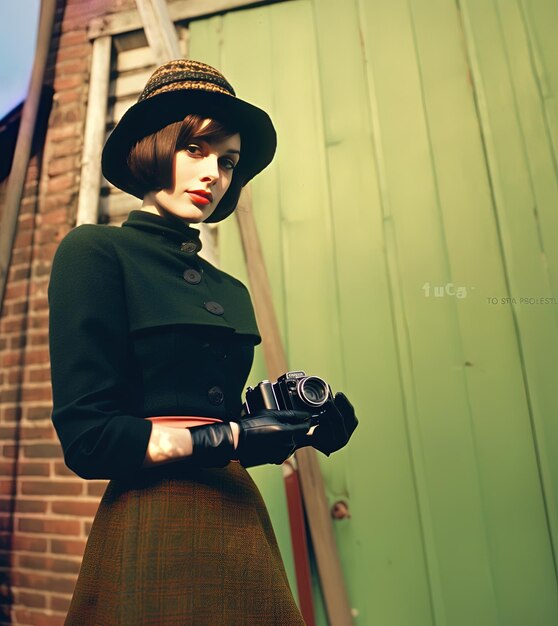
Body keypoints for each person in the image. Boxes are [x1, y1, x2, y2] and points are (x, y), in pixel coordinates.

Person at [48, 59, 358, 625]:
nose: (215, 173)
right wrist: (233, 435)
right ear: (153, 147)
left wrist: (294, 429)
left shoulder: (228, 288)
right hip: (155, 521)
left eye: (229, 161)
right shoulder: (94, 253)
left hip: (239, 523)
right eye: (197, 149)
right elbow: (89, 439)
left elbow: (216, 417)